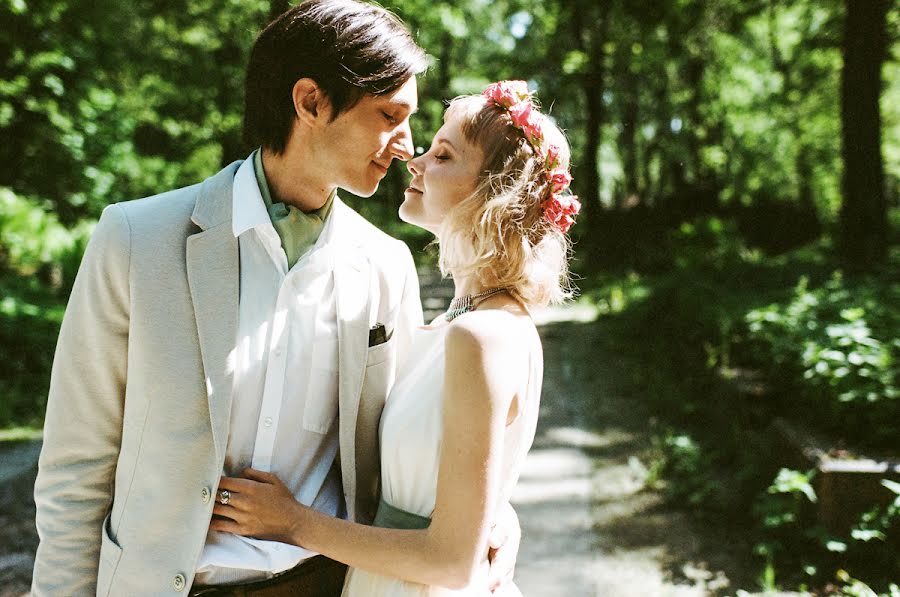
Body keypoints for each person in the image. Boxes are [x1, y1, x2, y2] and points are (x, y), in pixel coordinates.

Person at [30, 2, 521, 595]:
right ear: (311, 102)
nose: (405, 145)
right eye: (390, 114)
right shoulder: (136, 239)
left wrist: (496, 518)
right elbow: (75, 469)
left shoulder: (388, 266)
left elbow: (412, 447)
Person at [206, 81, 581, 596]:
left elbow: (451, 562)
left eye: (443, 155)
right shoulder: (469, 321)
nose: (416, 161)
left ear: (494, 192)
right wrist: (496, 514)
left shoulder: (481, 336)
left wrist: (291, 521)